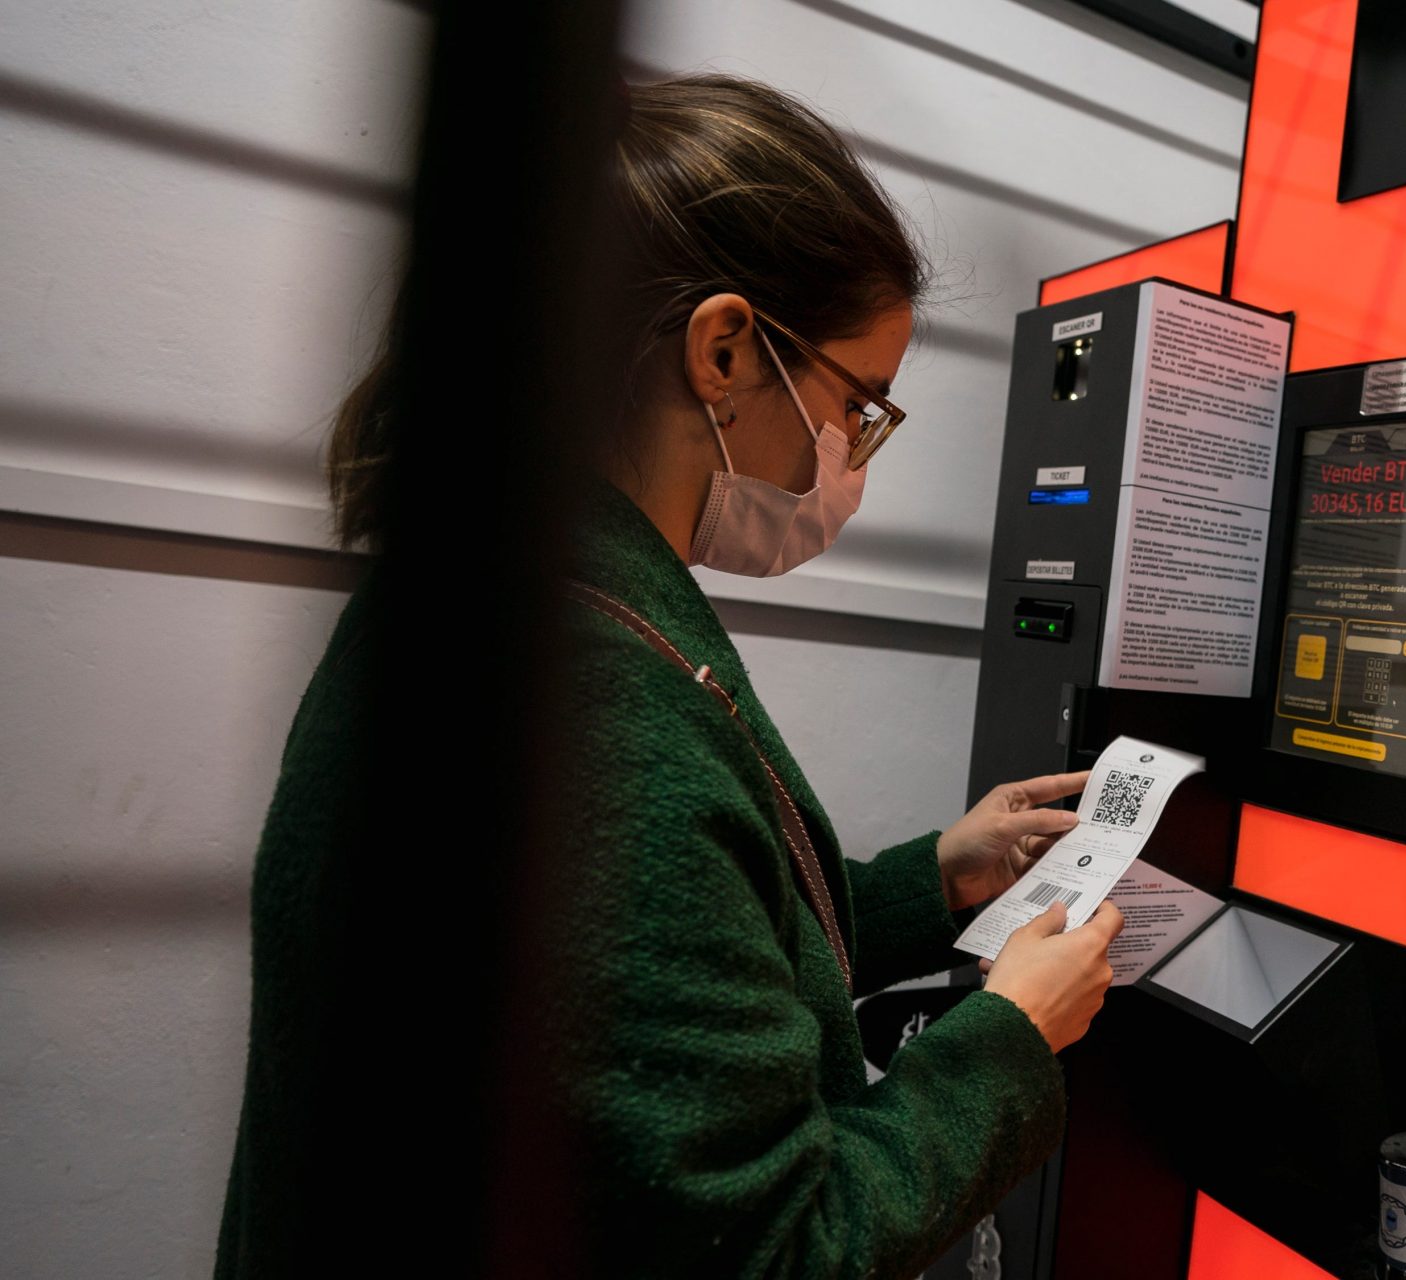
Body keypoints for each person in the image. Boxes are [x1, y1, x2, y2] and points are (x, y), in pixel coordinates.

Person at [215, 74, 1123, 1278]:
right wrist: (1007, 1033)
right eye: (860, 404)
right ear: (725, 348)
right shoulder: (585, 720)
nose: (854, 451)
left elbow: (673, 972)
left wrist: (934, 878)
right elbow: (777, 1244)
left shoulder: (506, 597)